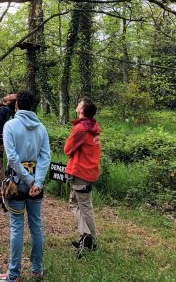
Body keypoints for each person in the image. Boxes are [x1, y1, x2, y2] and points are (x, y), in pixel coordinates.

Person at [0, 90, 51, 282]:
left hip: (17, 183)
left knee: (17, 228)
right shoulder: (41, 128)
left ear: (16, 105)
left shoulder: (10, 126)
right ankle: (36, 270)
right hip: (35, 183)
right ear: (32, 105)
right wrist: (37, 181)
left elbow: (13, 157)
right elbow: (45, 156)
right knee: (36, 226)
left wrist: (29, 180)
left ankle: (13, 274)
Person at [63, 96, 101, 255]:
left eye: (79, 104)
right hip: (89, 171)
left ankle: (89, 238)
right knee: (79, 204)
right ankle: (86, 237)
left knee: (82, 207)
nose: (77, 105)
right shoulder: (93, 127)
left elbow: (67, 149)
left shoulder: (80, 129)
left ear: (82, 110)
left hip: (81, 172)